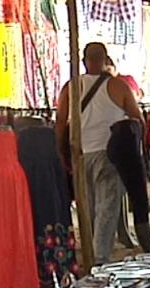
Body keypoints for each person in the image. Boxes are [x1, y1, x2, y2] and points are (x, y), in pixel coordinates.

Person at [56, 43, 145, 263]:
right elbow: (138, 119)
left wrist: (61, 151)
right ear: (106, 59)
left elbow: (59, 122)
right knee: (107, 206)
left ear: (84, 60)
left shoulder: (71, 87)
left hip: (81, 152)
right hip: (109, 153)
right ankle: (99, 256)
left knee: (89, 207)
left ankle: (91, 250)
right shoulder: (119, 86)